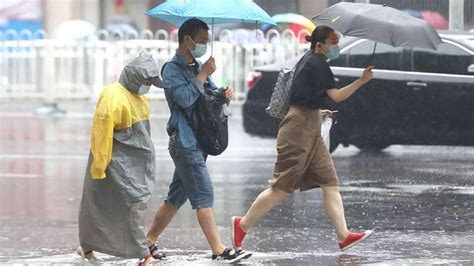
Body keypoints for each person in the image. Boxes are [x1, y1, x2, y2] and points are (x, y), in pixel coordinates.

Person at [231, 25, 374, 252]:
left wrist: (317, 112)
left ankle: (343, 236)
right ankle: (243, 224)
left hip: (309, 124)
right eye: (334, 43)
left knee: (329, 182)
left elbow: (305, 97)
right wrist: (362, 81)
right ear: (320, 45)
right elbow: (336, 96)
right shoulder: (317, 63)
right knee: (282, 187)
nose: (337, 47)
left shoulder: (309, 60)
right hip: (298, 129)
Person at [145, 18, 249, 262]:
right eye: (202, 39)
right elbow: (183, 98)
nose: (205, 44)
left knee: (176, 198)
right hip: (184, 141)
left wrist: (224, 94)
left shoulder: (197, 65)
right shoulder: (171, 69)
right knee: (203, 193)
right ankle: (218, 249)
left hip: (198, 141)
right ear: (187, 40)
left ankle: (147, 241)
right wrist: (202, 74)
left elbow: (208, 95)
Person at [77, 53, 162, 265]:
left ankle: (87, 247)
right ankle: (144, 255)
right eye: (146, 81)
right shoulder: (112, 95)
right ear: (134, 77)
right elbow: (102, 132)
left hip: (134, 164)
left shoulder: (138, 96)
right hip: (113, 163)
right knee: (116, 205)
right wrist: (100, 165)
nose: (148, 85)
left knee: (121, 204)